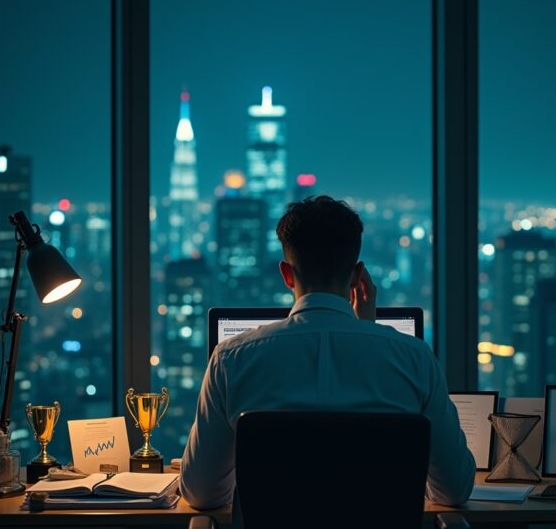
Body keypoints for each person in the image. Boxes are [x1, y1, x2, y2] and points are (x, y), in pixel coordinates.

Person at [180, 196, 475, 509]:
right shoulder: (414, 359)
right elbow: (454, 491)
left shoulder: (231, 359)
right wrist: (367, 332)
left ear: (286, 274)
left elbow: (202, 492)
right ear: (357, 274)